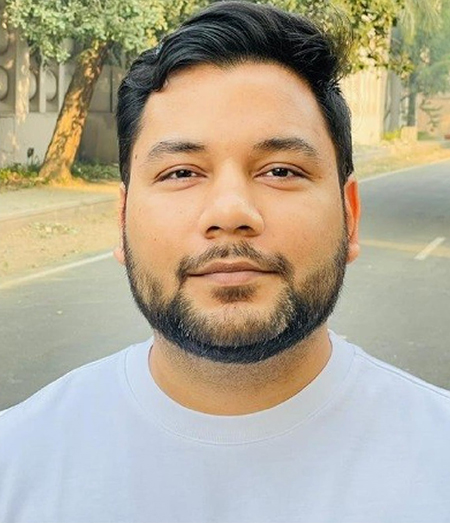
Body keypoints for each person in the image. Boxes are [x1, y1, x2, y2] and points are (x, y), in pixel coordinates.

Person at [1, 1, 450, 522]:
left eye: (280, 171)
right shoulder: (17, 464)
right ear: (122, 219)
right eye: (181, 173)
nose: (230, 212)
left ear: (350, 215)